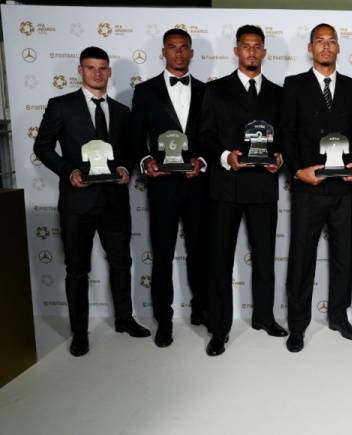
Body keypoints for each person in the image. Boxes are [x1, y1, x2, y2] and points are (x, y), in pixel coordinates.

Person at [34, 46, 150, 357]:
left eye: (102, 68)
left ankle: (124, 319)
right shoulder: (61, 106)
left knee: (121, 263)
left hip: (114, 201)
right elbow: (42, 146)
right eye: (90, 67)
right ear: (80, 70)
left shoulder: (122, 111)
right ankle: (80, 332)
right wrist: (68, 171)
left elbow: (130, 150)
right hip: (77, 202)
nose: (97, 73)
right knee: (77, 269)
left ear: (109, 72)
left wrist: (125, 167)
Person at [200, 25, 287, 356]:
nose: (251, 51)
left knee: (265, 257)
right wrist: (226, 156)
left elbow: (286, 138)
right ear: (236, 50)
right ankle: (219, 328)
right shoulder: (216, 90)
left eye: (257, 46)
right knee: (220, 261)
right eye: (245, 46)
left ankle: (264, 317)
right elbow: (205, 135)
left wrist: (280, 157)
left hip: (263, 185)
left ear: (264, 51)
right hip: (226, 187)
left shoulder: (278, 94)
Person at [281, 23, 352, 352]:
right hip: (309, 188)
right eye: (320, 41)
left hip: (344, 189)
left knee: (344, 257)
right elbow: (286, 134)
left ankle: (339, 317)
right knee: (301, 258)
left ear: (339, 48)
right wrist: (296, 171)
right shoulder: (294, 85)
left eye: (332, 41)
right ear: (311, 48)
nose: (326, 47)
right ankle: (297, 325)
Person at [131, 28, 209, 348]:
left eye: (183, 48)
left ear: (191, 53)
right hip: (162, 185)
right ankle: (164, 321)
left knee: (199, 252)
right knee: (162, 255)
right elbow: (136, 136)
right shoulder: (145, 91)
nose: (178, 53)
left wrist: (202, 161)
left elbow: (211, 136)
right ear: (163, 52)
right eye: (172, 48)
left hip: (196, 185)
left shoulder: (206, 91)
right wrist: (145, 160)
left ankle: (201, 310)